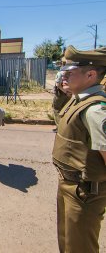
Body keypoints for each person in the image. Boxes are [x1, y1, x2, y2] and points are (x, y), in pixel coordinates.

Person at [52, 45, 106, 253]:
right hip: (70, 185)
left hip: (85, 192)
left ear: (91, 74)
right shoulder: (76, 101)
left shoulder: (95, 110)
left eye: (69, 72)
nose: (62, 76)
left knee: (80, 248)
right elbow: (64, 126)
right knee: (67, 244)